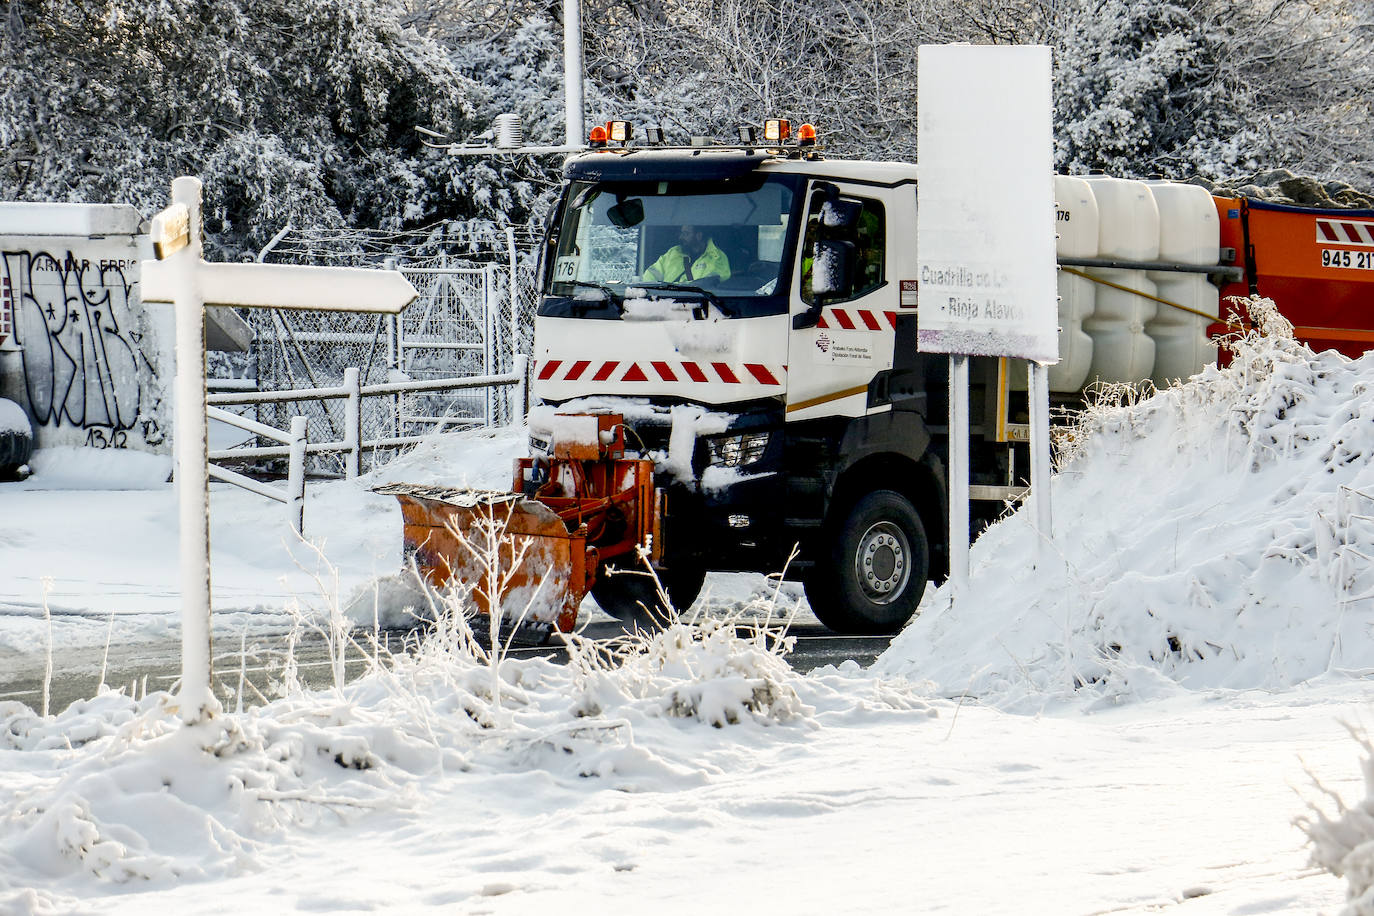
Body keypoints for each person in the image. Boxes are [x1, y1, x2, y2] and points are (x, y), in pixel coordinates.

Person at [642, 225, 731, 284]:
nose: (681, 237)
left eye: (686, 234)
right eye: (681, 233)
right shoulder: (674, 252)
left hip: (698, 307)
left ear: (699, 236)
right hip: (664, 305)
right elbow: (651, 275)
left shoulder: (716, 257)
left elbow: (709, 287)